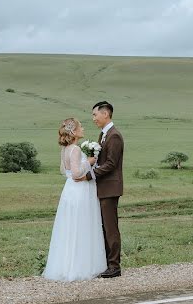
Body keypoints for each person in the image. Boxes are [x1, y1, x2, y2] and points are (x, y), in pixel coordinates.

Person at [42, 118, 107, 281]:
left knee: (70, 225)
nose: (83, 129)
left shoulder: (65, 149)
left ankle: (65, 265)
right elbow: (78, 174)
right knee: (81, 225)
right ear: (74, 132)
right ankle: (81, 267)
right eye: (80, 127)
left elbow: (65, 171)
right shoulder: (76, 149)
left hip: (69, 189)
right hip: (80, 190)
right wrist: (90, 162)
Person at [78, 100, 124, 278]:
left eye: (95, 114)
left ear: (106, 114)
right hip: (103, 187)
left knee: (111, 227)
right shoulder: (103, 135)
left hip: (110, 188)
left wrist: (89, 175)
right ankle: (107, 263)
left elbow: (111, 164)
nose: (93, 118)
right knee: (104, 226)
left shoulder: (114, 136)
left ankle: (114, 266)